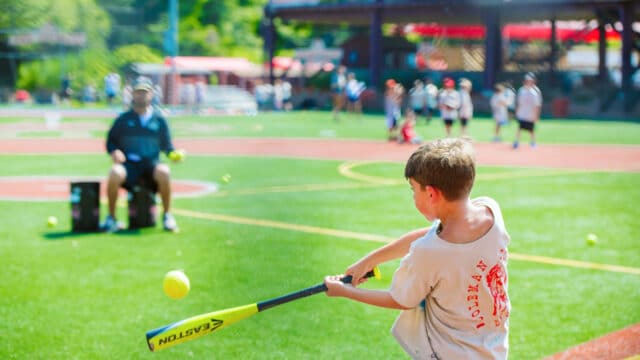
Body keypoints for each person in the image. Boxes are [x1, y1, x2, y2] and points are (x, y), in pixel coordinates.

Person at [324, 137, 510, 359]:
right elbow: (428, 234)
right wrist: (369, 261)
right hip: (494, 351)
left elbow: (400, 299)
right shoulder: (490, 210)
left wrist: (346, 291)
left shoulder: (429, 252)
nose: (413, 195)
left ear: (431, 193)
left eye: (413, 189)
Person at [102, 76, 181, 233]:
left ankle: (167, 216)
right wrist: (115, 151)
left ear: (151, 94)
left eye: (144, 92)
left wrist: (174, 154)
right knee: (114, 173)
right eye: (138, 92)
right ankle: (111, 218)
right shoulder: (123, 119)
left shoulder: (159, 120)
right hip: (129, 166)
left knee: (164, 172)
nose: (141, 95)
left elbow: (167, 146)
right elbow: (111, 141)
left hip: (151, 165)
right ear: (132, 94)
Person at [513, 72, 543, 149]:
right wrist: (516, 112)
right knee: (519, 128)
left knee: (531, 129)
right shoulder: (521, 91)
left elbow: (537, 105)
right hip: (522, 113)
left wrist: (536, 115)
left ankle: (533, 142)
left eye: (530, 81)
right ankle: (516, 142)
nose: (528, 82)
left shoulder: (535, 92)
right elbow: (518, 103)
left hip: (531, 114)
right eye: (527, 81)